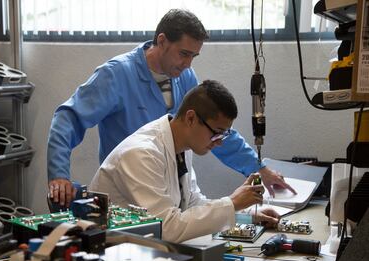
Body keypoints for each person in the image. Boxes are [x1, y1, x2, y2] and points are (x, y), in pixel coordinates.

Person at [47, 9, 295, 208]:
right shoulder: (116, 75)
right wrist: (59, 175)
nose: (187, 64)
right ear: (162, 41)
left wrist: (257, 167)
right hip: (128, 196)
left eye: (193, 57)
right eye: (183, 54)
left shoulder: (184, 77)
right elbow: (68, 118)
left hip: (170, 190)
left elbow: (213, 129)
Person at [90, 80, 280, 243]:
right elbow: (166, 228)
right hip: (112, 257)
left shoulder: (181, 147)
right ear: (191, 118)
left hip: (144, 250)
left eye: (224, 134)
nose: (220, 141)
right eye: (216, 133)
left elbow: (191, 204)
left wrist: (244, 216)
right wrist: (232, 203)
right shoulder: (141, 154)